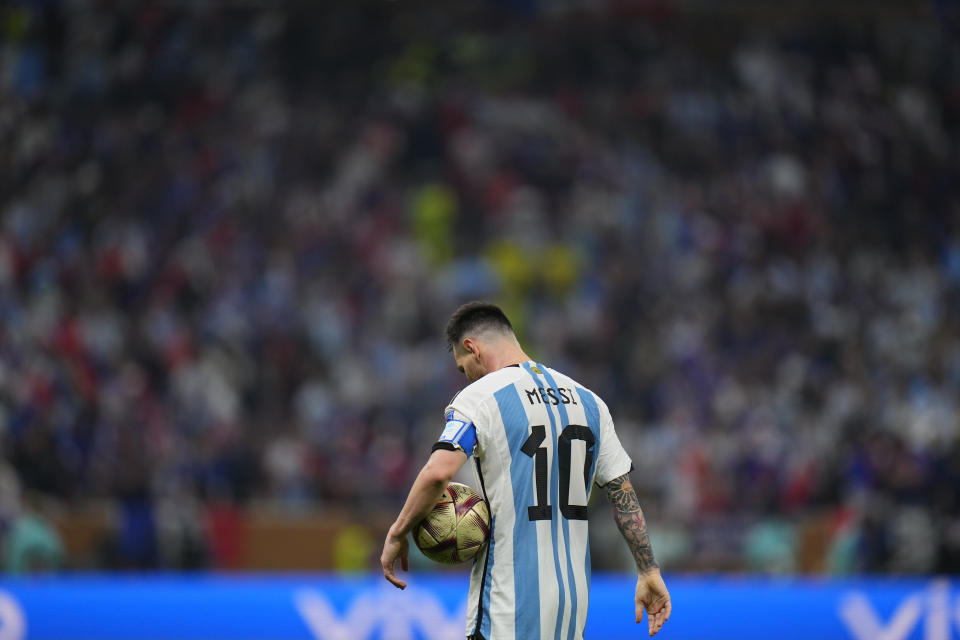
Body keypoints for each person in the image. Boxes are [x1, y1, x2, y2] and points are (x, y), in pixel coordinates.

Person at [381, 301, 671, 639]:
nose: (466, 376)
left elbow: (437, 473)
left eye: (463, 368)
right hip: (570, 611)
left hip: (507, 611)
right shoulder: (589, 401)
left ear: (471, 348)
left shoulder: (479, 397)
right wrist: (648, 568)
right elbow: (622, 492)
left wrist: (398, 531)